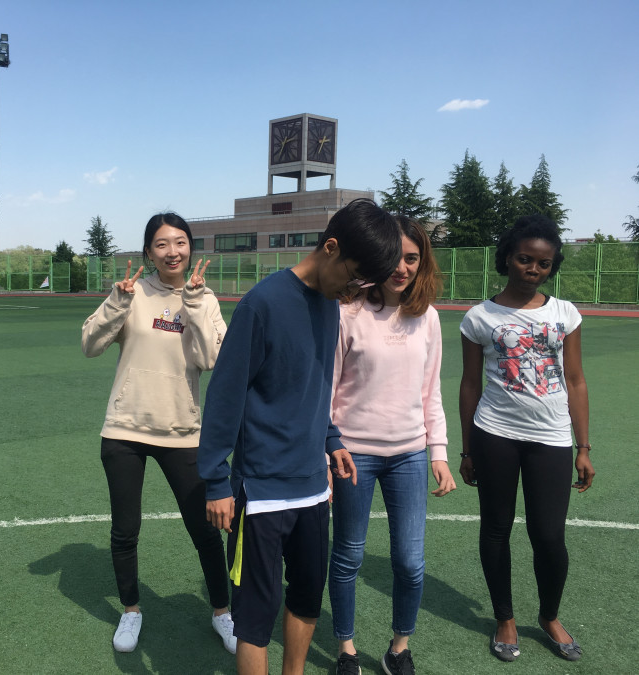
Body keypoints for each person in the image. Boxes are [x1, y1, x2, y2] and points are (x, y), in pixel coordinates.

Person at [198, 198, 403, 675]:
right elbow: (225, 396)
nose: (355, 292)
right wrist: (215, 481)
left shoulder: (331, 305)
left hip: (312, 488)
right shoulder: (261, 304)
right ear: (330, 248)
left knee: (307, 599)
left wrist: (331, 438)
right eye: (355, 278)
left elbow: (314, 383)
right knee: (255, 617)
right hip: (261, 492)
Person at [81, 212, 236, 655]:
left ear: (191, 249)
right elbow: (90, 345)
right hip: (125, 428)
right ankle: (131, 610)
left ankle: (222, 613)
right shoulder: (130, 293)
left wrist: (193, 304)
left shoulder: (205, 299)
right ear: (149, 252)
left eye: (180, 242)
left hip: (182, 430)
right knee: (125, 530)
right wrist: (117, 302)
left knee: (205, 530)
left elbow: (211, 360)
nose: (173, 252)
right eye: (162, 244)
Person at [459, 214, 595, 663]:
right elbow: (470, 385)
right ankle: (505, 618)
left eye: (543, 263)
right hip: (495, 433)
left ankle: (549, 616)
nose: (532, 268)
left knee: (549, 535)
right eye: (524, 259)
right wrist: (467, 449)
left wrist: (583, 447)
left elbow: (575, 380)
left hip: (551, 437)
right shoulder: (480, 317)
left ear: (551, 267)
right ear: (507, 259)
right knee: (496, 528)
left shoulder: (564, 313)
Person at [328, 216, 456, 675]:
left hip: (409, 455)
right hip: (353, 454)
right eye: (393, 257)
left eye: (412, 258)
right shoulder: (348, 312)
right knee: (348, 556)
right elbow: (328, 390)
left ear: (423, 263)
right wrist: (325, 453)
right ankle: (346, 649)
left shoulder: (428, 317)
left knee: (410, 562)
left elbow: (430, 391)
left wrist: (438, 452)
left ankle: (398, 648)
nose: (402, 268)